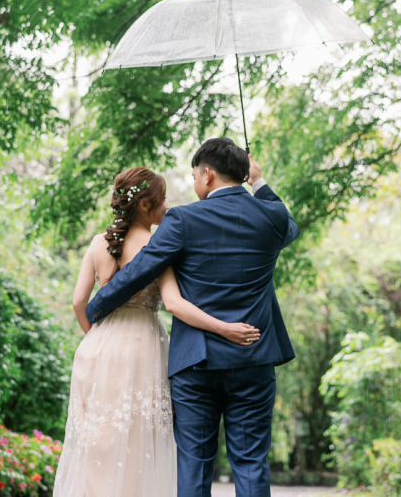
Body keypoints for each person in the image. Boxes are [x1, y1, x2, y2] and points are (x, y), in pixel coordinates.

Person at [85, 137, 300, 497]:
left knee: (194, 467)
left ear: (207, 174)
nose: (196, 181)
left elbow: (139, 271)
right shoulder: (272, 218)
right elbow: (289, 225)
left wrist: (95, 309)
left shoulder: (183, 219)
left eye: (195, 174)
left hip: (195, 364)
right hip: (253, 357)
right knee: (251, 463)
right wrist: (259, 182)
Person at [53, 165, 262, 497]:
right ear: (144, 205)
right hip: (143, 350)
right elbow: (175, 304)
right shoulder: (158, 246)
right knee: (140, 444)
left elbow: (79, 302)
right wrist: (224, 329)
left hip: (97, 348)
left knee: (97, 444)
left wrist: (97, 339)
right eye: (162, 200)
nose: (167, 207)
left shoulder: (97, 243)